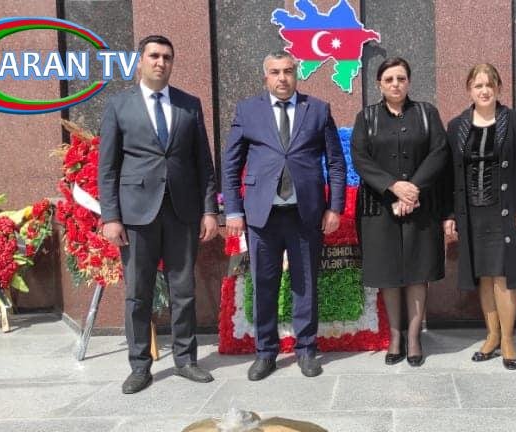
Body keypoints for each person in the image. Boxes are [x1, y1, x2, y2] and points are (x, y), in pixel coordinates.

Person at [98, 35, 220, 394]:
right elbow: (108, 168)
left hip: (182, 212)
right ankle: (140, 366)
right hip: (136, 215)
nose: (160, 62)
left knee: (184, 291)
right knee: (139, 292)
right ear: (140, 61)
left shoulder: (189, 104)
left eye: (167, 57)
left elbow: (203, 164)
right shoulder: (119, 106)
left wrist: (209, 210)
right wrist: (111, 217)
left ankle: (185, 360)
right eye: (154, 56)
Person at [222, 50, 346, 381]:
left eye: (288, 71)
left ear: (296, 74)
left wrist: (334, 207)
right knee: (264, 284)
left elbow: (335, 162)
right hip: (262, 216)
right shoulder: (248, 110)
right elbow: (231, 164)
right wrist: (233, 210)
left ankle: (306, 349)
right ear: (265, 77)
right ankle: (266, 352)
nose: (282, 78)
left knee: (305, 284)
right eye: (275, 72)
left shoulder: (317, 109)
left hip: (306, 214)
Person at [350, 57, 449, 367]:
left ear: (409, 82)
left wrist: (413, 188)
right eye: (389, 79)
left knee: (418, 272)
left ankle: (415, 337)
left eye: (401, 78)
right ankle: (395, 336)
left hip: (421, 206)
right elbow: (360, 158)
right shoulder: (366, 117)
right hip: (380, 206)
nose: (395, 84)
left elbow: (439, 152)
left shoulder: (426, 113)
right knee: (389, 274)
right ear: (379, 84)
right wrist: (393, 186)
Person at [443, 63, 516, 371]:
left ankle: (508, 340)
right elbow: (448, 174)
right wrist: (450, 214)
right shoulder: (456, 126)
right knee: (484, 275)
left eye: (490, 85)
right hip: (472, 213)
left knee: (503, 275)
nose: (484, 91)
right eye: (478, 85)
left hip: (506, 211)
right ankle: (492, 336)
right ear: (469, 90)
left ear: (499, 87)